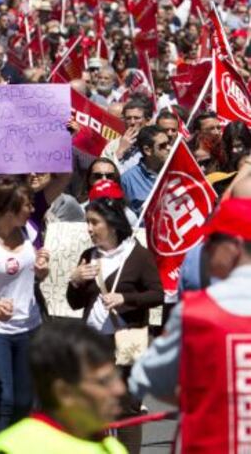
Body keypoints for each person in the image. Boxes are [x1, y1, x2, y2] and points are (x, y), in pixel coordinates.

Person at [129, 197, 251, 453]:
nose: (204, 251)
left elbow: (146, 378)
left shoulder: (195, 312)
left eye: (211, 242)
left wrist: (201, 398)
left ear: (235, 246)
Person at [67, 194, 163, 453]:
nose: (89, 228)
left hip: (128, 340)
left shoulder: (138, 255)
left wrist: (125, 298)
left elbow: (157, 294)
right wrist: (75, 280)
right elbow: (74, 303)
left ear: (112, 224)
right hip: (93, 344)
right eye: (87, 222)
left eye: (94, 222)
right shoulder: (88, 255)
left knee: (127, 407)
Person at [0, 177, 50, 439]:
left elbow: (34, 276)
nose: (32, 209)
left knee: (25, 401)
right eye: (27, 205)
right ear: (10, 207)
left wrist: (42, 270)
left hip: (29, 327)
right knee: (4, 399)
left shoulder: (29, 232)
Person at [0, 320, 127, 454]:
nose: (120, 389)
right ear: (64, 393)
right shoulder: (12, 449)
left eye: (116, 376)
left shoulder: (113, 448)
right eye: (104, 381)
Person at [121, 126, 171, 217]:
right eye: (162, 146)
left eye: (169, 143)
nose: (169, 148)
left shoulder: (177, 172)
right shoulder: (127, 180)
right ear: (147, 150)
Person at [102, 98, 152, 173]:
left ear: (147, 121)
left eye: (137, 118)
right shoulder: (113, 145)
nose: (132, 122)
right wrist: (120, 151)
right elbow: (103, 171)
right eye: (128, 118)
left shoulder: (155, 143)